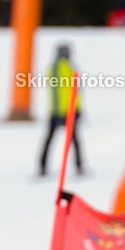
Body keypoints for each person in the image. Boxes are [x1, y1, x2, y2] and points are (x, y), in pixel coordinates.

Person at [38, 44, 84, 176]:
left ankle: (43, 167)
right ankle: (78, 166)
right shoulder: (62, 67)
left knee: (55, 139)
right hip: (64, 111)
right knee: (70, 140)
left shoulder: (58, 66)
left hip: (61, 110)